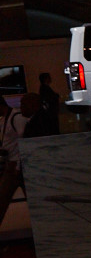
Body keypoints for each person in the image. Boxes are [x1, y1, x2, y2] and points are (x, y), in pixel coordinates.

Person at [0, 93, 37, 230]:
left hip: (16, 166)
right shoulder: (8, 118)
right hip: (15, 166)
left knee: (3, 200)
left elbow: (24, 142)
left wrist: (17, 166)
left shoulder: (15, 117)